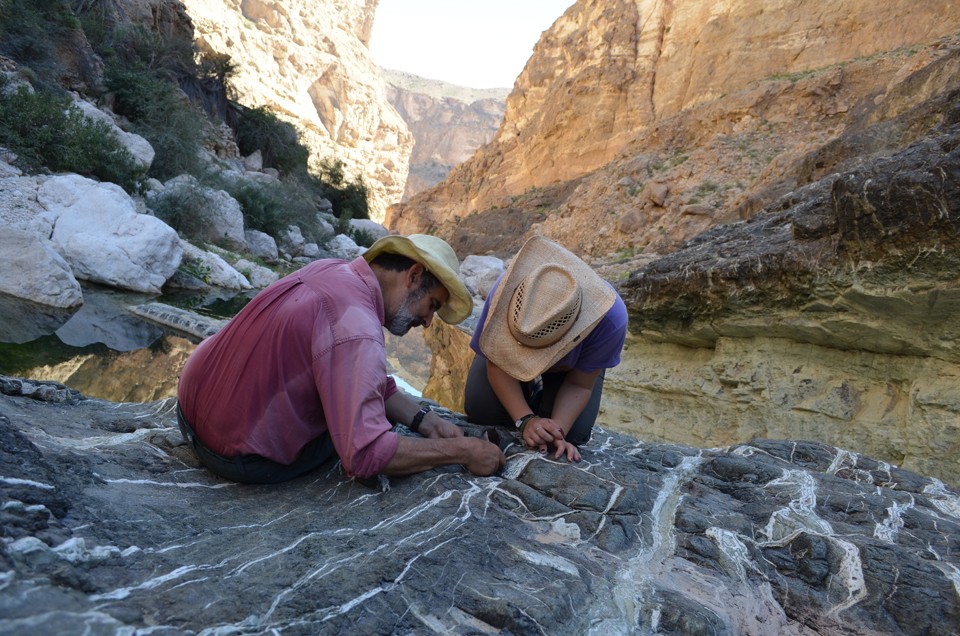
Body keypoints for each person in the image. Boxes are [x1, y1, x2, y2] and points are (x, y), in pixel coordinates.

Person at [176, 233, 505, 484]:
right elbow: (365, 454)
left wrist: (425, 421)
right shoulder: (358, 327)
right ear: (414, 275)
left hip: (188, 414)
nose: (429, 322)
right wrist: (464, 451)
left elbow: (361, 378)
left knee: (362, 406)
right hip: (235, 454)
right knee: (371, 426)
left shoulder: (332, 269)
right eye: (432, 305)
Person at [464, 236, 628, 463]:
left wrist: (555, 433)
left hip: (570, 374)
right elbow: (496, 362)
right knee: (481, 409)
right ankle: (528, 396)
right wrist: (525, 420)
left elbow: (579, 384)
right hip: (506, 362)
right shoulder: (506, 292)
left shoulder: (609, 319)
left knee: (574, 434)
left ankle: (539, 395)